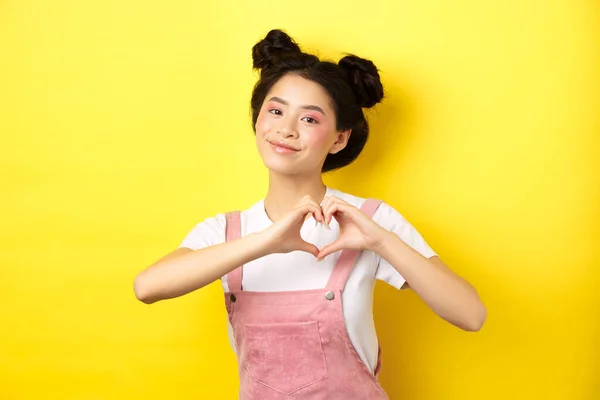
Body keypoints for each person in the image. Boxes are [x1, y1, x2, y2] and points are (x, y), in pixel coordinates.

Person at [133, 29, 486, 399]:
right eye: (275, 111)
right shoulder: (226, 232)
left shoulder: (367, 220)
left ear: (339, 138)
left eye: (310, 120)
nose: (285, 129)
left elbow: (470, 314)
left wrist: (381, 241)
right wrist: (265, 242)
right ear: (258, 120)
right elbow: (147, 287)